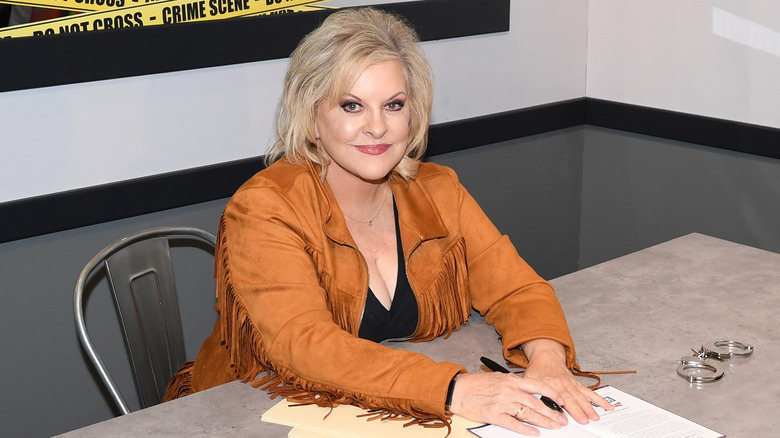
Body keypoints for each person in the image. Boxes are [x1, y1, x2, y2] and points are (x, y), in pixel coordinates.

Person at [164, 7, 612, 436]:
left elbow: (518, 288)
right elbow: (302, 345)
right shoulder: (265, 206)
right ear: (313, 116)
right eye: (352, 106)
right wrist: (454, 387)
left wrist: (548, 362)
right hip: (254, 415)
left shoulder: (438, 189)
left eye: (393, 105)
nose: (377, 127)